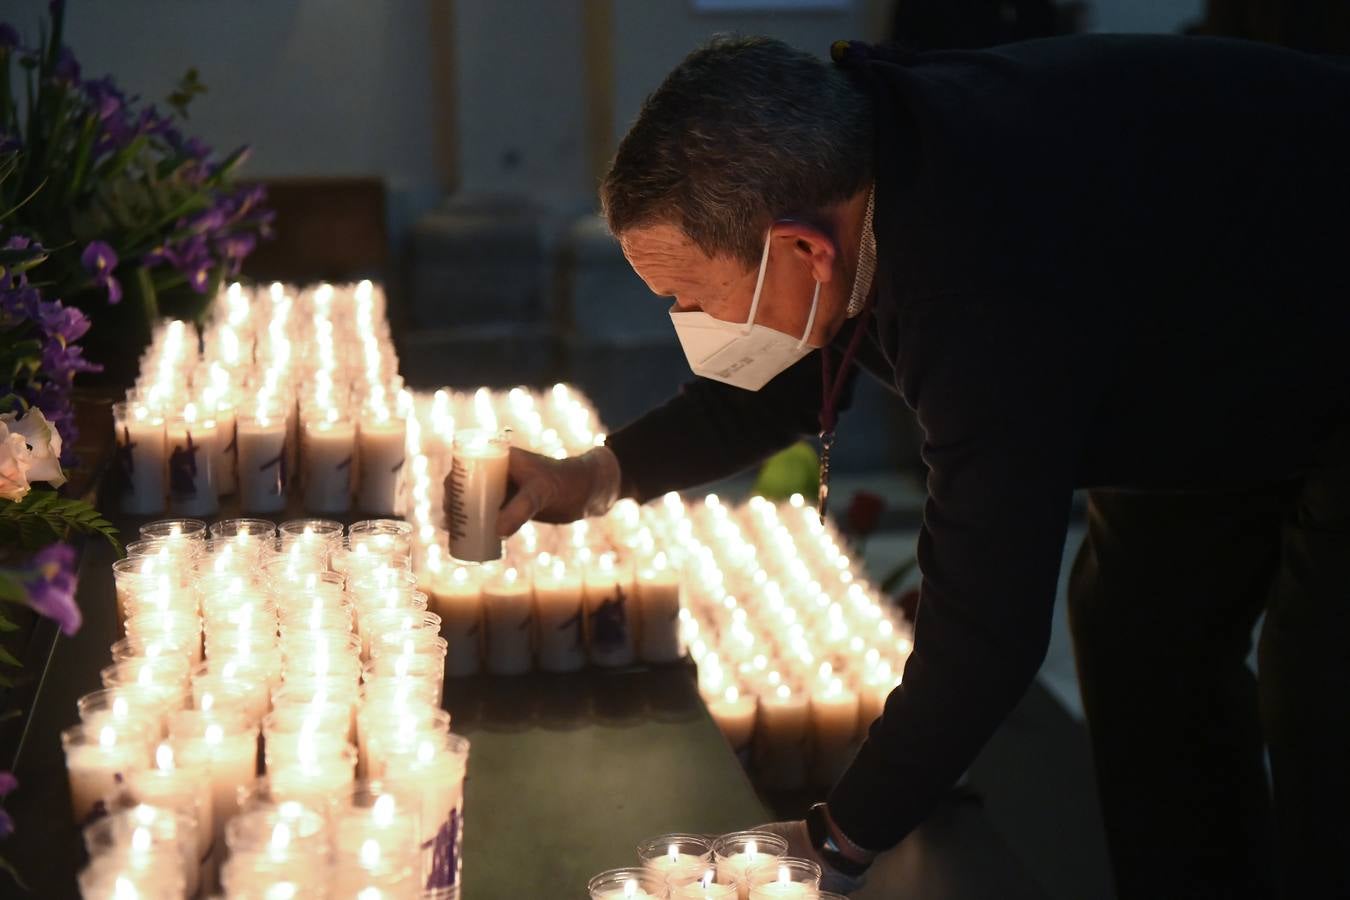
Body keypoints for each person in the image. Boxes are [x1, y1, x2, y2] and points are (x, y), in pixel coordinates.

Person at [480, 35, 1350, 898]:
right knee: (1139, 628)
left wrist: (838, 839)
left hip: (1306, 312)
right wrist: (587, 476)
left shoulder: (974, 288)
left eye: (694, 299)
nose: (694, 324)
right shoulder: (861, 160)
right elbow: (770, 382)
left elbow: (987, 632)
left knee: (1319, 692)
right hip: (1218, 329)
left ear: (804, 251)